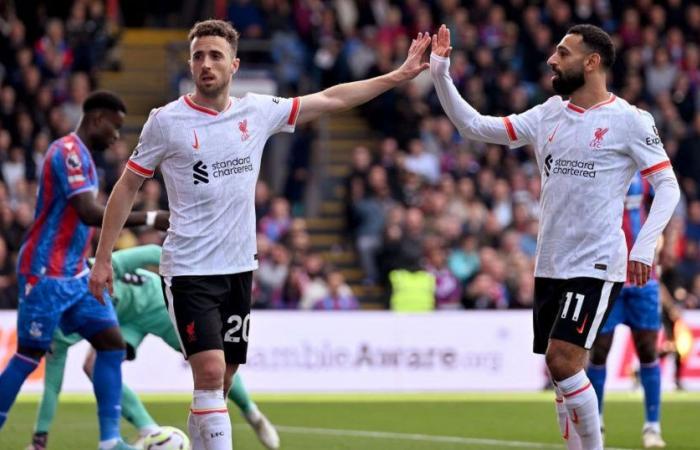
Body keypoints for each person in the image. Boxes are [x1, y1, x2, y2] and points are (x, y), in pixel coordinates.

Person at [89, 19, 431, 450]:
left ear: (234, 65)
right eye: (198, 56)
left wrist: (398, 75)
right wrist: (103, 259)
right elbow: (126, 187)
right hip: (189, 269)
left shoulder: (257, 110)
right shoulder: (166, 121)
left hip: (239, 268)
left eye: (215, 56)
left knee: (221, 383)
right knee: (210, 374)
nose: (206, 64)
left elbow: (330, 97)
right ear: (190, 65)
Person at [429, 24, 680, 450]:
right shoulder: (548, 114)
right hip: (551, 263)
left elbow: (669, 186)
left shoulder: (631, 121)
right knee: (562, 375)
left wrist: (643, 246)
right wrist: (440, 72)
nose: (552, 60)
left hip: (597, 263)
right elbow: (475, 127)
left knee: (562, 360)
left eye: (563, 53)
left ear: (592, 62)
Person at [0, 91, 169, 450]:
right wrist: (153, 217)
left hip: (76, 275)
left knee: (111, 344)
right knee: (28, 356)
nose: (116, 137)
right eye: (115, 128)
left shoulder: (88, 161)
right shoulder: (67, 153)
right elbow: (89, 214)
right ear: (96, 119)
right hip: (44, 272)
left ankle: (110, 440)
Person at [27, 245, 279, 450]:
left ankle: (252, 412)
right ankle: (151, 432)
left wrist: (183, 282)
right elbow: (51, 385)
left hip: (154, 303)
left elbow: (151, 252)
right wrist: (40, 438)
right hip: (121, 323)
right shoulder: (55, 336)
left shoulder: (88, 272)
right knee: (93, 366)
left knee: (210, 363)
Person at [588, 172, 666, 448]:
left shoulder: (648, 165)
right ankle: (594, 422)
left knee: (647, 349)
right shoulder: (602, 161)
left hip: (644, 275)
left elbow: (667, 203)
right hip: (609, 274)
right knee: (599, 349)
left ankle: (652, 427)